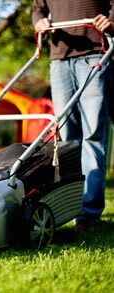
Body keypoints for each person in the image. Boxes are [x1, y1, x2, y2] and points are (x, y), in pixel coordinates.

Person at [32, 1, 114, 231]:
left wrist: (111, 23)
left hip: (94, 54)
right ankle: (67, 206)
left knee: (93, 135)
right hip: (59, 59)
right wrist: (39, 22)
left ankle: (88, 213)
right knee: (67, 139)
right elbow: (38, 8)